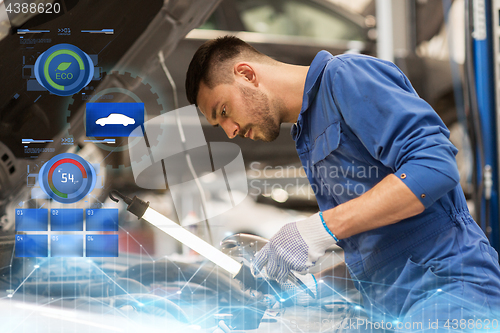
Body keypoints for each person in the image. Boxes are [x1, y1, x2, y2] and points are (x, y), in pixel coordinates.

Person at [185, 36, 500, 331]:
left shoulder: (346, 77)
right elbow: (379, 246)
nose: (230, 131)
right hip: (397, 307)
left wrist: (316, 230)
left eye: (224, 112)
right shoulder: (307, 133)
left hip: (452, 292)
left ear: (246, 74)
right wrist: (308, 292)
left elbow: (434, 168)